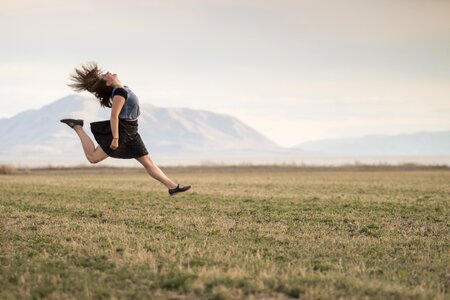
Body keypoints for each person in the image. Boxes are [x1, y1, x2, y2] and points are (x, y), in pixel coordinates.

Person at [61, 62, 191, 196]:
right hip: (123, 131)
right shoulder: (119, 92)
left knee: (148, 163)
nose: (108, 73)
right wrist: (116, 138)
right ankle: (77, 127)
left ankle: (172, 187)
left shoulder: (123, 88)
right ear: (107, 83)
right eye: (105, 76)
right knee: (93, 158)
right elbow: (114, 116)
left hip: (131, 131)